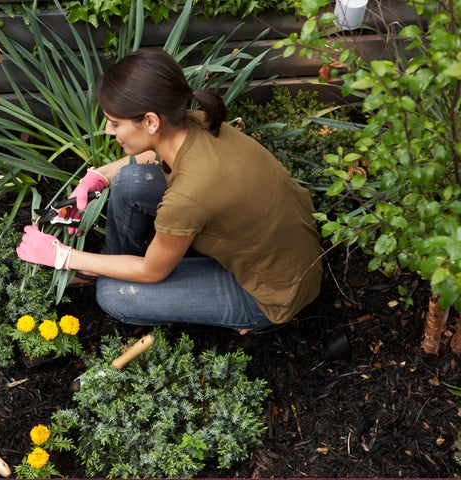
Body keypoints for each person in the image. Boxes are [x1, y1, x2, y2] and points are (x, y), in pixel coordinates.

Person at [16, 48, 323, 333]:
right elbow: (155, 153)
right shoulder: (194, 122)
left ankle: (255, 320)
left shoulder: (188, 197)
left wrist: (64, 257)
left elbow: (152, 272)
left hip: (270, 292)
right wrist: (99, 176)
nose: (109, 131)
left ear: (150, 121)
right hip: (289, 246)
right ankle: (113, 263)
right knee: (129, 180)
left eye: (114, 123)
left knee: (113, 294)